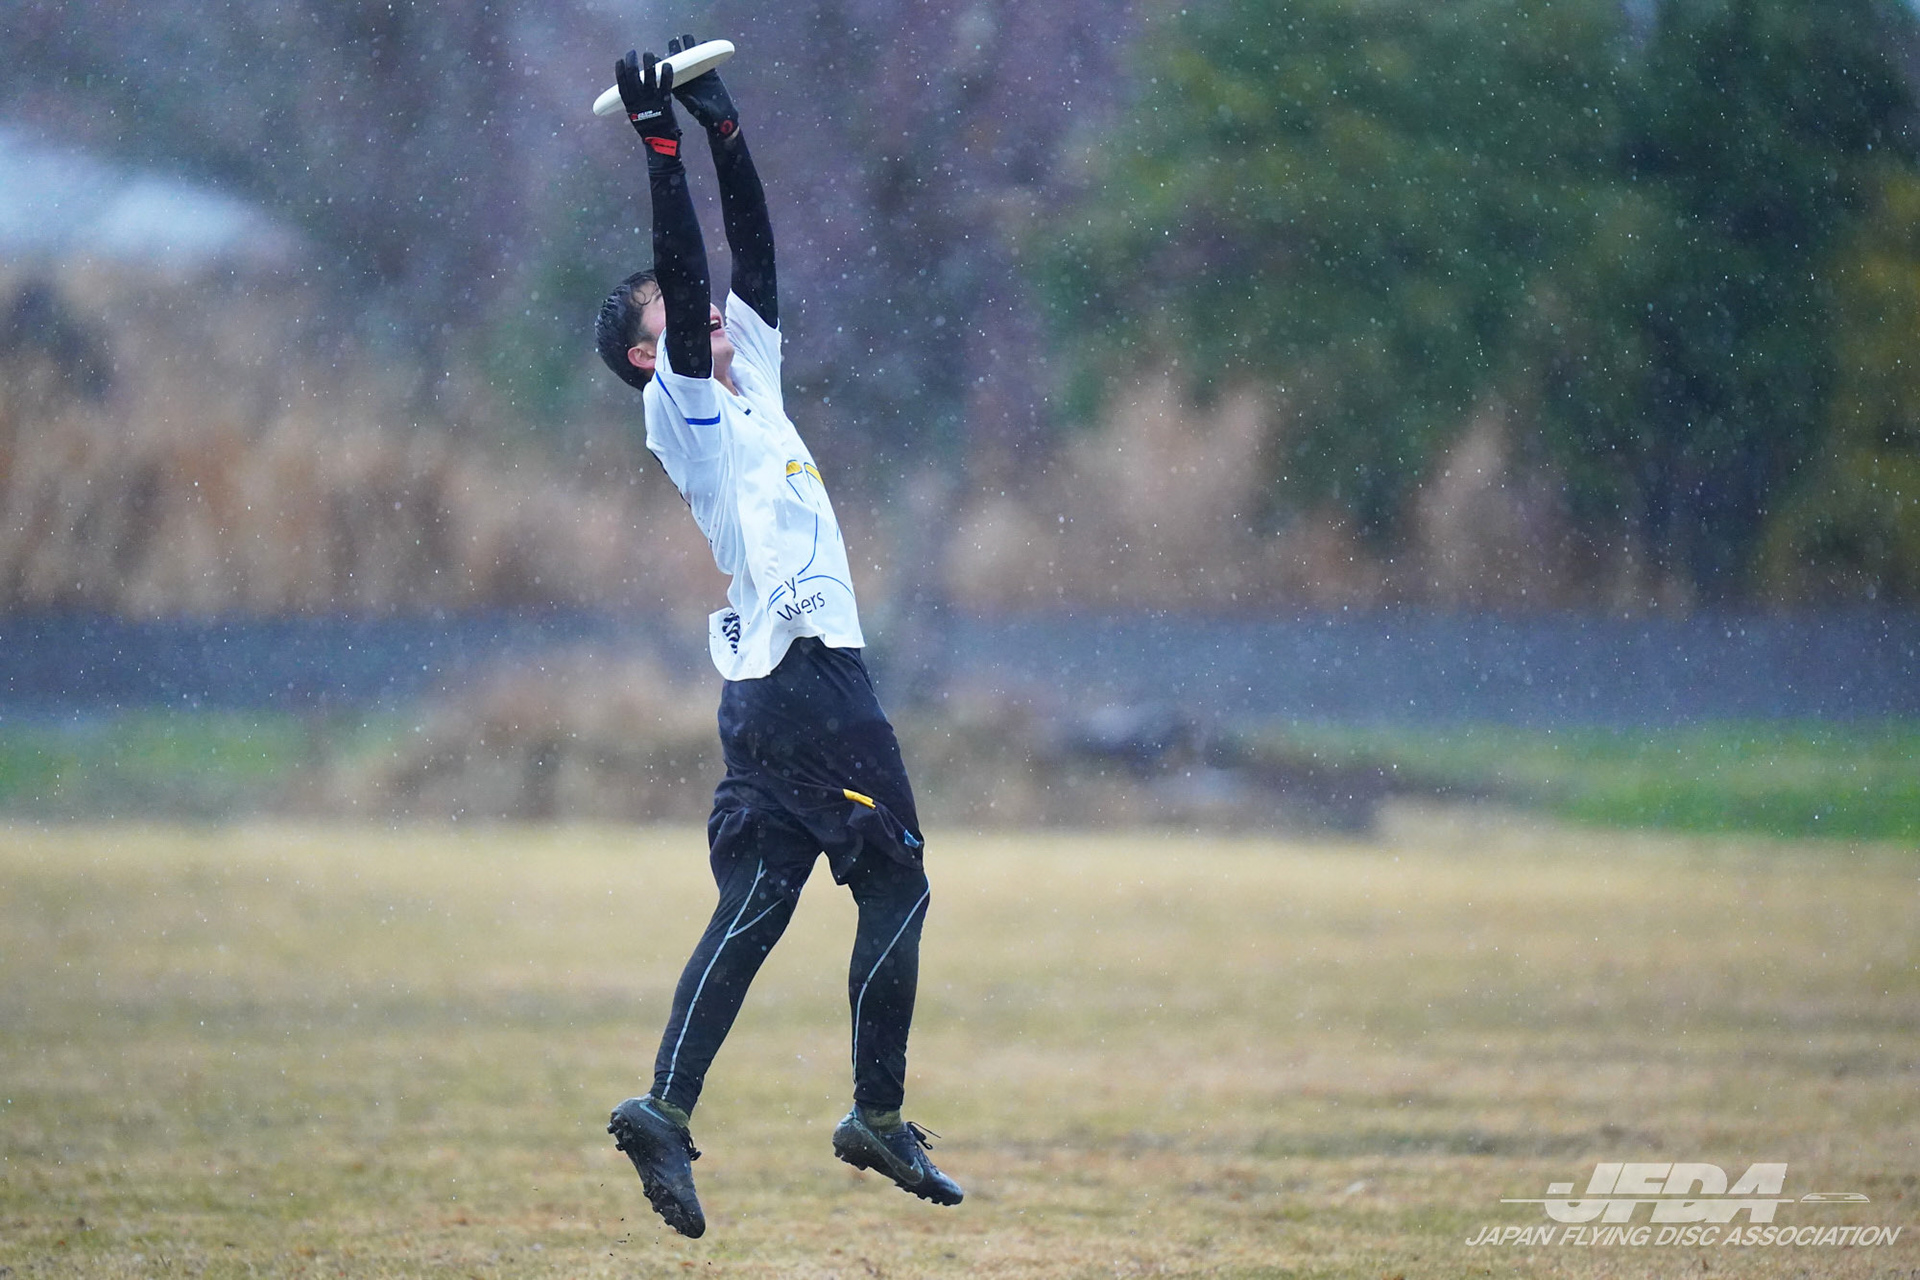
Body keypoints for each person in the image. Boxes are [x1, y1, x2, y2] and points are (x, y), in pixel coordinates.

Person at [590, 41, 962, 1239]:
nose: (703, 307)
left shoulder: (752, 380)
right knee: (897, 876)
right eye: (674, 311)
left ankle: (663, 1107)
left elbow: (748, 258)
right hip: (810, 679)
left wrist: (724, 129)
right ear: (647, 355)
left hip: (766, 694)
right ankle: (877, 1114)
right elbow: (689, 261)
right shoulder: (684, 405)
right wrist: (660, 150)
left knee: (758, 897)